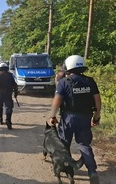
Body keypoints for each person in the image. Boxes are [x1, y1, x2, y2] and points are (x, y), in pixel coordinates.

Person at [49, 55, 101, 184]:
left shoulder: (63, 82)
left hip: (68, 118)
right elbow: (98, 101)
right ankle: (92, 171)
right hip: (85, 117)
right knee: (84, 144)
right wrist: (96, 116)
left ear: (68, 67)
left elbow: (56, 102)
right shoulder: (90, 81)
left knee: (63, 145)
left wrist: (52, 116)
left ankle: (67, 169)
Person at [0, 62, 18, 129]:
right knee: (8, 107)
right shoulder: (10, 75)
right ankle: (8, 120)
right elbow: (15, 85)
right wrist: (16, 93)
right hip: (8, 94)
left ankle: (0, 119)